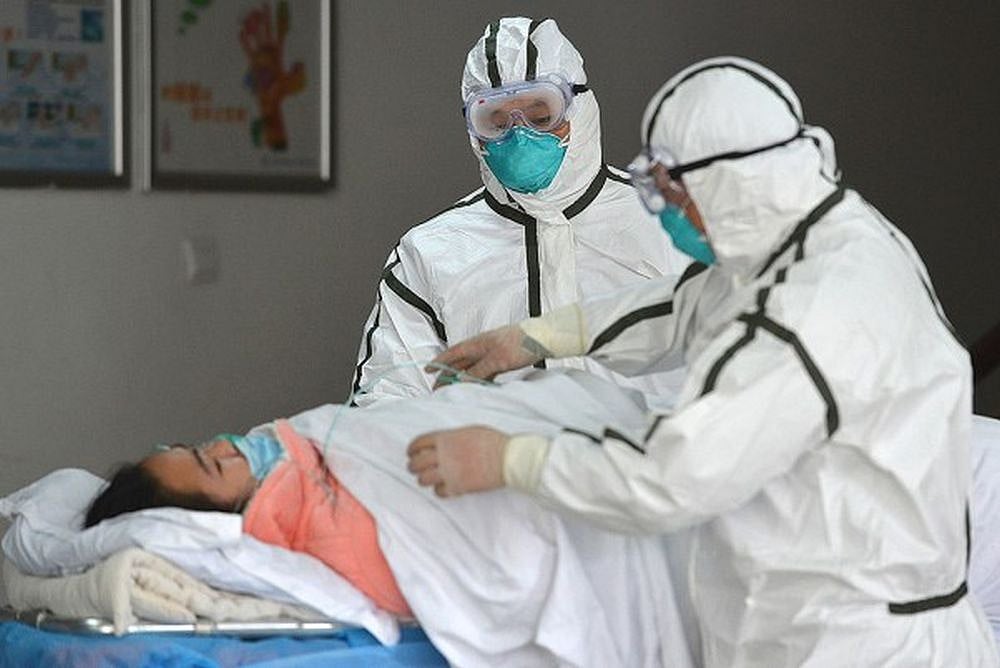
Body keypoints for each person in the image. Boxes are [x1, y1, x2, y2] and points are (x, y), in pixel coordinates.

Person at [406, 56, 1000, 665]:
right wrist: (536, 339)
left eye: (668, 190)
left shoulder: (804, 320)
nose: (661, 208)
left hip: (847, 643)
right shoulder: (824, 228)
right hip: (830, 620)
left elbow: (670, 479)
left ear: (726, 186)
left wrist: (508, 458)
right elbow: (699, 300)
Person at [82, 370, 699, 667]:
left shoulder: (304, 444)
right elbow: (477, 553)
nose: (224, 446)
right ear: (225, 517)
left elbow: (381, 428)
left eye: (200, 446)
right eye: (212, 467)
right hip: (601, 493)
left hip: (593, 419)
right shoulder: (309, 521)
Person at [350, 16, 688, 409]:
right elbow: (386, 405)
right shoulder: (429, 254)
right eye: (495, 121)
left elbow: (743, 367)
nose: (520, 133)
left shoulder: (670, 223)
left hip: (654, 467)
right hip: (487, 470)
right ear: (474, 132)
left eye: (541, 115)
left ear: (580, 109)